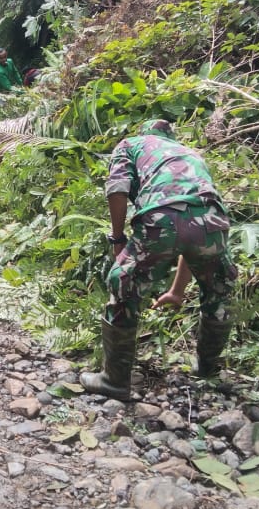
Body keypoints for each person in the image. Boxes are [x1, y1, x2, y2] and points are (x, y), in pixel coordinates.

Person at [79, 119, 238, 400]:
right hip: (212, 221)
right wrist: (177, 291)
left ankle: (115, 379)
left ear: (145, 133)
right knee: (218, 291)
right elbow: (191, 227)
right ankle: (208, 371)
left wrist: (118, 238)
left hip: (161, 218)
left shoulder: (131, 144)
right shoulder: (190, 153)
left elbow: (117, 187)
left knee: (123, 282)